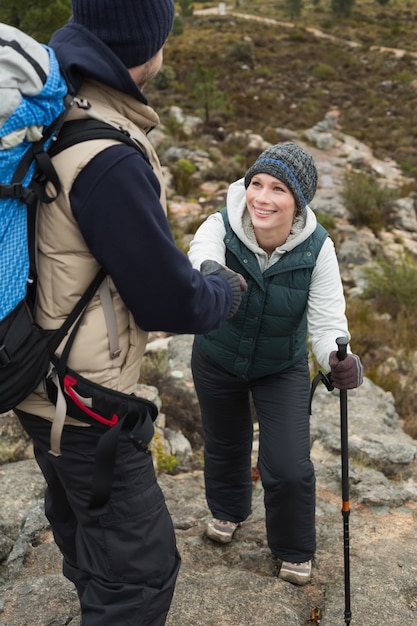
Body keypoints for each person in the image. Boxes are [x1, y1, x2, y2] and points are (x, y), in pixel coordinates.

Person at [13, 1, 245, 624]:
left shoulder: (58, 102)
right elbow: (169, 297)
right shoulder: (107, 155)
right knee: (141, 574)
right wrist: (222, 287)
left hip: (37, 374)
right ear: (146, 44)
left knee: (87, 537)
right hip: (84, 401)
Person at [188, 142, 363, 586]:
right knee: (226, 442)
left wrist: (337, 359)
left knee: (288, 463)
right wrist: (212, 271)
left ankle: (293, 547)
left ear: (298, 202)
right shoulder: (220, 225)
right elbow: (200, 253)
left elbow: (326, 325)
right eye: (256, 184)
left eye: (278, 189)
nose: (262, 198)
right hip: (218, 356)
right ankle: (228, 511)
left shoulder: (317, 250)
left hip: (279, 366)